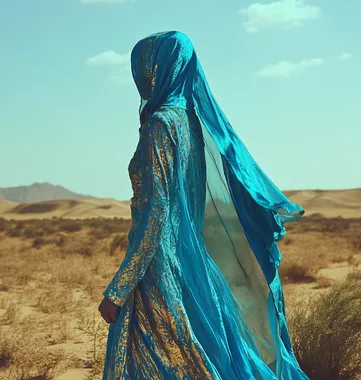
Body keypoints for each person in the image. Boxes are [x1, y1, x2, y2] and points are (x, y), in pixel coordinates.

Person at [98, 31, 308, 380]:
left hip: (160, 271)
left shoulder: (160, 125)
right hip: (192, 266)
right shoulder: (191, 124)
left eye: (143, 65)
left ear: (157, 68)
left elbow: (157, 215)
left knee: (171, 361)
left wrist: (119, 289)